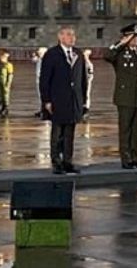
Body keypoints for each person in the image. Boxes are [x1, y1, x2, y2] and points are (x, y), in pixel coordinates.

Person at [41, 27, 88, 175]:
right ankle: (56, 162)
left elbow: (83, 79)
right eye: (68, 35)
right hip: (57, 100)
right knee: (57, 133)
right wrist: (46, 100)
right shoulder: (52, 54)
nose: (72, 37)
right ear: (60, 37)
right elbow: (44, 79)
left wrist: (83, 100)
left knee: (70, 133)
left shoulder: (78, 54)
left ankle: (68, 161)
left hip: (74, 101)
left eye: (73, 34)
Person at [105, 24, 137, 170]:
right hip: (125, 96)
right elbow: (107, 56)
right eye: (132, 37)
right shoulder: (120, 52)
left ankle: (135, 156)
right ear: (126, 38)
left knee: (136, 128)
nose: (136, 39)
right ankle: (126, 159)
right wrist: (120, 43)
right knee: (125, 129)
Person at [33, 47, 49, 119]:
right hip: (38, 80)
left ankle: (46, 111)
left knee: (44, 96)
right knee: (40, 96)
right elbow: (34, 60)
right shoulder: (39, 59)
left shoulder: (47, 60)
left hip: (44, 81)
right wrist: (34, 55)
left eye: (40, 53)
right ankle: (42, 110)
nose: (38, 54)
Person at [0, 50, 14, 116]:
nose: (1, 57)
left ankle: (6, 107)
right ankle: (2, 106)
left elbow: (10, 75)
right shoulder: (0, 64)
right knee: (1, 94)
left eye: (2, 56)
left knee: (5, 95)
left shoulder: (9, 65)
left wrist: (8, 84)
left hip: (5, 82)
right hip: (0, 81)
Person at [82, 49, 94, 120]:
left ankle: (85, 109)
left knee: (86, 95)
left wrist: (88, 81)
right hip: (83, 81)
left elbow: (90, 75)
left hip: (87, 81)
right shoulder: (83, 63)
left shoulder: (89, 64)